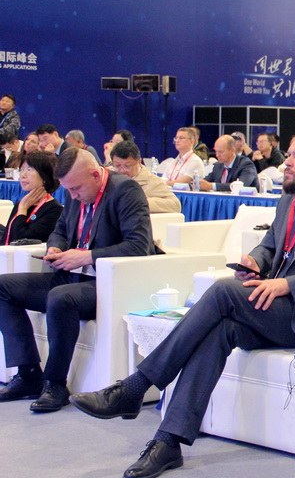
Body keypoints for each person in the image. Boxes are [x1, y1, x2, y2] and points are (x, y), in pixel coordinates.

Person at [70, 134, 295, 478]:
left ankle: (136, 386)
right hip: (272, 305)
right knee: (219, 331)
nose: (287, 162)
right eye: (288, 154)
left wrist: (288, 284)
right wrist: (256, 261)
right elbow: (270, 246)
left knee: (223, 291)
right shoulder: (289, 201)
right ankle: (168, 441)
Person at [0, 148, 157, 412]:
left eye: (75, 189)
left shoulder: (125, 190)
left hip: (105, 284)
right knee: (3, 287)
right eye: (68, 190)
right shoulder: (74, 191)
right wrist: (55, 247)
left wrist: (86, 256)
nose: (72, 196)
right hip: (69, 275)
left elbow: (139, 245)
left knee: (61, 297)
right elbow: (60, 230)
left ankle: (55, 384)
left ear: (95, 175)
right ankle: (28, 374)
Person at [1, 151, 62, 245]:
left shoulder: (55, 210)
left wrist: (22, 210)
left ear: (45, 176)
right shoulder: (22, 203)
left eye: (29, 170)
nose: (23, 175)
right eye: (21, 170)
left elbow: (21, 241)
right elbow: (7, 237)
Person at [109, 141, 181, 213]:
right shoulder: (108, 176)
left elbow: (175, 205)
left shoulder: (152, 181)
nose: (122, 171)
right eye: (117, 166)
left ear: (139, 162)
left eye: (127, 166)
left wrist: (138, 201)